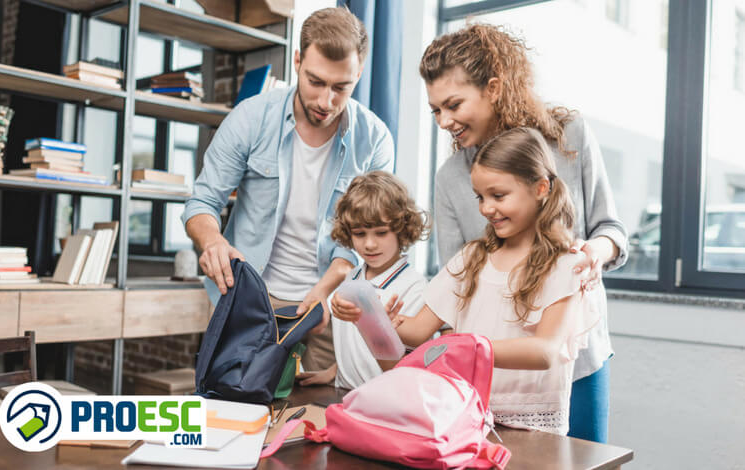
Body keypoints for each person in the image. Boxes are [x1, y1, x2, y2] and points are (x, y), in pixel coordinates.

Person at [419, 24, 626, 443]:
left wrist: (593, 253)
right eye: (435, 110)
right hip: (497, 376)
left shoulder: (571, 138)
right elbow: (456, 285)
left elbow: (612, 231)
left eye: (453, 104)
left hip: (577, 360)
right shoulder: (451, 178)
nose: (444, 121)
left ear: (493, 88)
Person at [335, 127, 603, 436]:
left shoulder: (567, 265)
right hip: (465, 419)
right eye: (480, 197)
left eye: (498, 196)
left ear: (541, 188)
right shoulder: (471, 258)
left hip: (531, 432)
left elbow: (545, 352)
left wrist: (470, 347)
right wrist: (370, 318)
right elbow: (419, 331)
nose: (486, 208)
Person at [181, 7, 395, 373]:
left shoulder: (374, 139)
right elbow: (203, 201)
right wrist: (213, 242)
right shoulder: (250, 117)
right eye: (316, 82)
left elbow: (362, 239)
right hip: (248, 298)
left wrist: (325, 292)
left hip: (328, 303)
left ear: (358, 74)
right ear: (297, 61)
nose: (326, 102)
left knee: (315, 418)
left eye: (341, 87)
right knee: (235, 407)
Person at [297, 171, 430, 389]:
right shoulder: (352, 276)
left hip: (383, 400)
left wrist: (372, 319)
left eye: (381, 233)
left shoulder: (415, 287)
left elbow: (405, 365)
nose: (369, 244)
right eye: (359, 234)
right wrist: (334, 372)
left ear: (402, 230)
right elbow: (354, 346)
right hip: (342, 392)